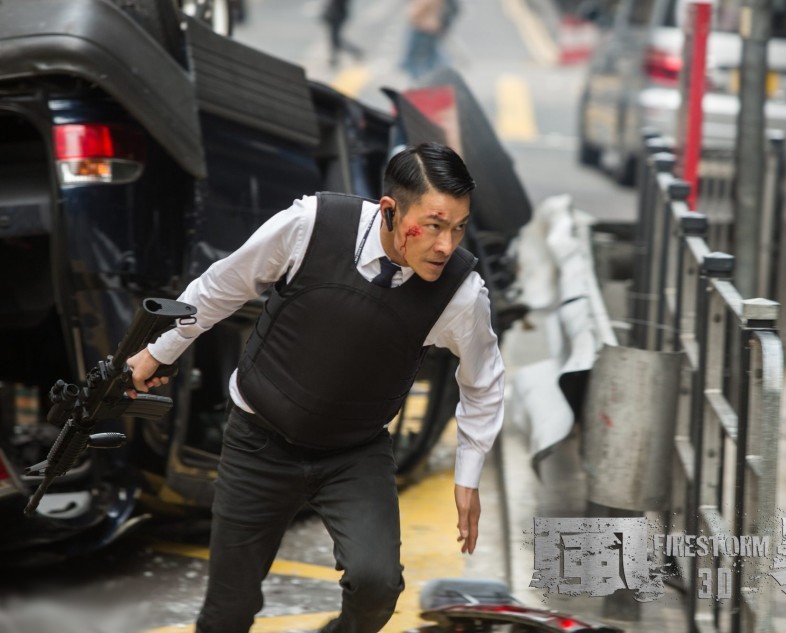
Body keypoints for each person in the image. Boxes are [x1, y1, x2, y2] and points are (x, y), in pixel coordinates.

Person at [127, 143, 505, 633]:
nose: (445, 246)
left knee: (377, 586)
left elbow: (484, 380)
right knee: (228, 611)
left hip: (354, 454)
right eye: (433, 225)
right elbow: (223, 285)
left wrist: (468, 475)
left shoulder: (461, 293)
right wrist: (160, 350)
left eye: (459, 228)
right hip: (258, 441)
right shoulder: (310, 225)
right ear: (390, 210)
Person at [321, 0, 362, 68]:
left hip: (337, 16)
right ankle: (335, 58)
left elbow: (336, 5)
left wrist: (330, 13)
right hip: (336, 16)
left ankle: (355, 52)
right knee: (334, 39)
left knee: (335, 40)